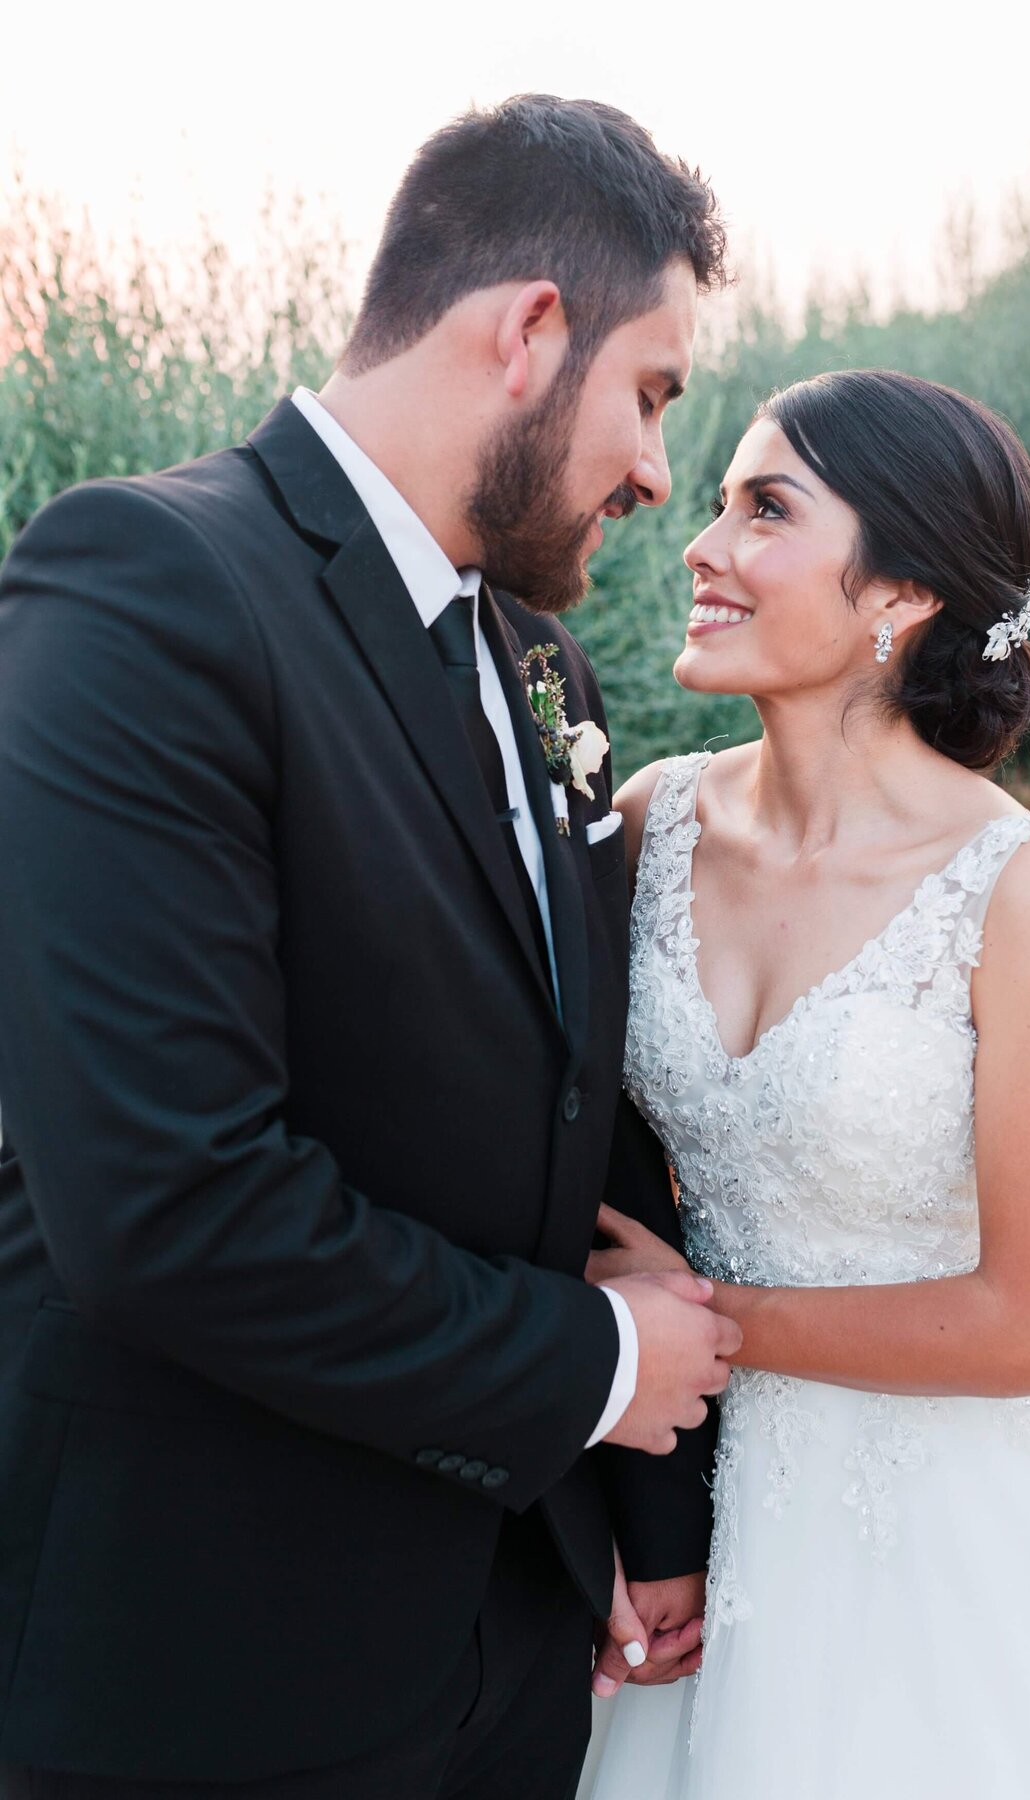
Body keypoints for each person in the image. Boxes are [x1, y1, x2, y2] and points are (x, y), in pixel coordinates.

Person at [0, 95, 742, 1800]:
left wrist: (641, 1515)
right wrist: (602, 1366)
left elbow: (579, 1102)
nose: (651, 469)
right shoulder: (146, 586)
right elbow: (166, 1202)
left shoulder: (547, 668)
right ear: (527, 330)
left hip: (511, 1656)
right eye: (649, 393)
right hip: (213, 1671)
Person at [579, 369, 1030, 1799]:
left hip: (958, 1530)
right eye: (722, 502)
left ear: (900, 596)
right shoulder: (645, 822)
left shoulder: (1019, 893)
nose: (702, 541)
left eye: (765, 509)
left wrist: (680, 1329)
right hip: (707, 1514)